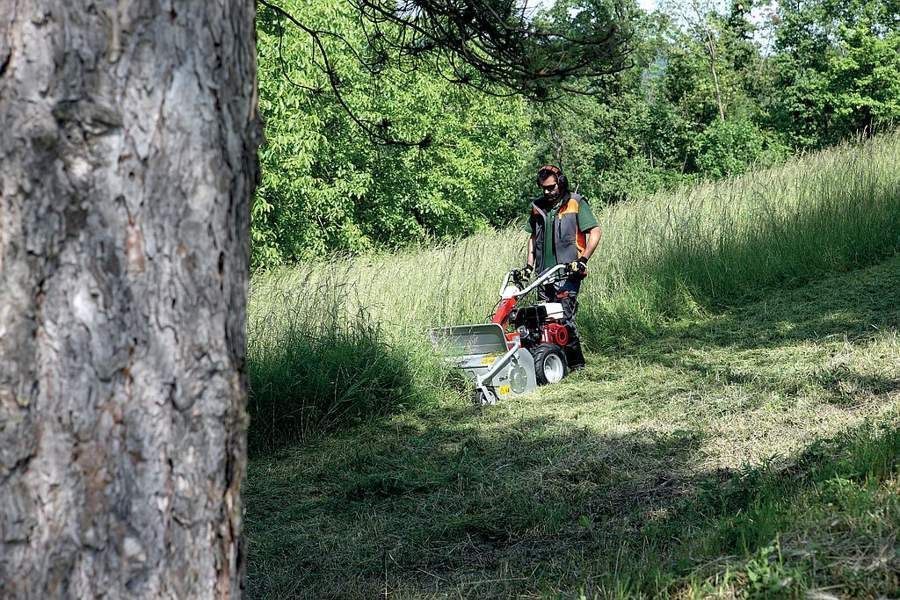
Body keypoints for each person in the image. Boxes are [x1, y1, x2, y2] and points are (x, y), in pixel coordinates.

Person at [522, 164, 602, 369]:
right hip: (543, 275)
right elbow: (533, 237)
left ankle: (576, 365)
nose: (547, 192)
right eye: (544, 188)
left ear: (561, 183)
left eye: (551, 187)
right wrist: (528, 267)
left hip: (568, 272)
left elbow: (595, 232)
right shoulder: (538, 206)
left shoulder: (575, 203)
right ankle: (550, 363)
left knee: (564, 318)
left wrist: (583, 260)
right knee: (542, 321)